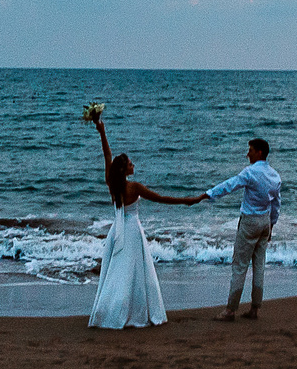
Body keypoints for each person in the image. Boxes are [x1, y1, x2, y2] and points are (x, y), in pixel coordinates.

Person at [87, 110, 199, 330]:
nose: (133, 165)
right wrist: (186, 201)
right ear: (125, 168)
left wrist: (102, 131)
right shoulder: (134, 187)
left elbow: (106, 155)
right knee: (134, 274)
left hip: (116, 231)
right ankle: (131, 312)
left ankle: (110, 310)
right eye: (130, 163)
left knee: (117, 272)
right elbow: (161, 199)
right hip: (132, 231)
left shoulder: (113, 184)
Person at [198, 138, 281, 321]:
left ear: (259, 152)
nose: (247, 153)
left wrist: (208, 194)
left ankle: (230, 310)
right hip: (265, 221)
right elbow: (276, 203)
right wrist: (272, 225)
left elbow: (230, 185)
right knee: (259, 266)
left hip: (250, 221)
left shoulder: (250, 172)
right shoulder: (275, 175)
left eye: (250, 150)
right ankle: (255, 308)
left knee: (240, 265)